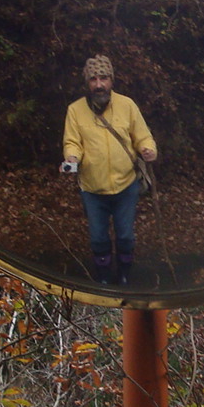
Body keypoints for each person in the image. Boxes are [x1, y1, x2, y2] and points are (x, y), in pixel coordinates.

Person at [61, 55, 157, 285]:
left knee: (125, 236)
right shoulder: (75, 110)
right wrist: (71, 157)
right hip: (92, 188)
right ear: (87, 82)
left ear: (112, 80)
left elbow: (142, 135)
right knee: (98, 238)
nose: (99, 84)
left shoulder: (127, 105)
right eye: (93, 79)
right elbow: (72, 142)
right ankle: (103, 276)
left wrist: (148, 149)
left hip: (126, 185)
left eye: (103, 78)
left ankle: (124, 274)